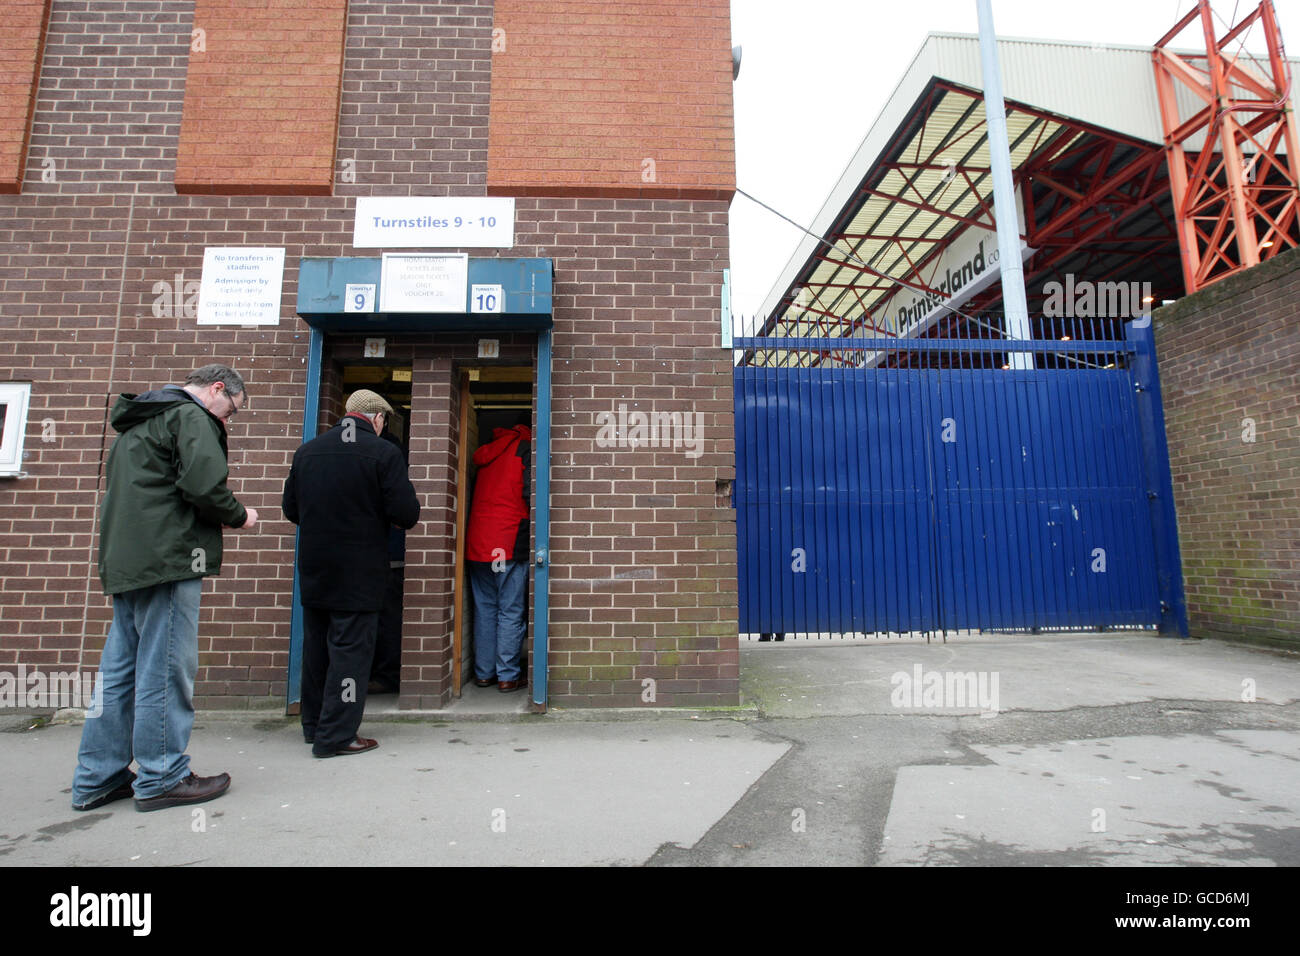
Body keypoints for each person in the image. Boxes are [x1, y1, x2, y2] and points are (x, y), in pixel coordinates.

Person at [72, 364, 257, 812]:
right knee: (165, 669)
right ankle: (162, 775)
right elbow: (203, 486)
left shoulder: (137, 424)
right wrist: (239, 515)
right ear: (217, 390)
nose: (227, 421)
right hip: (169, 559)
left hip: (127, 562)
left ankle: (98, 777)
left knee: (119, 673)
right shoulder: (191, 417)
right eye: (230, 411)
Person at [282, 389, 419, 757]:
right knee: (350, 654)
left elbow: (290, 508)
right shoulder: (383, 452)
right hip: (359, 571)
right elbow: (406, 513)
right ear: (377, 418)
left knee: (317, 649)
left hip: (315, 568)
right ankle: (337, 736)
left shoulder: (307, 451)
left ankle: (314, 726)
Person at [466, 414, 531, 693]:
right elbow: (531, 494)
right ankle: (507, 675)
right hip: (508, 540)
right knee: (510, 610)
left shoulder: (488, 452)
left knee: (485, 609)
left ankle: (484, 672)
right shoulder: (525, 448)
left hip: (479, 543)